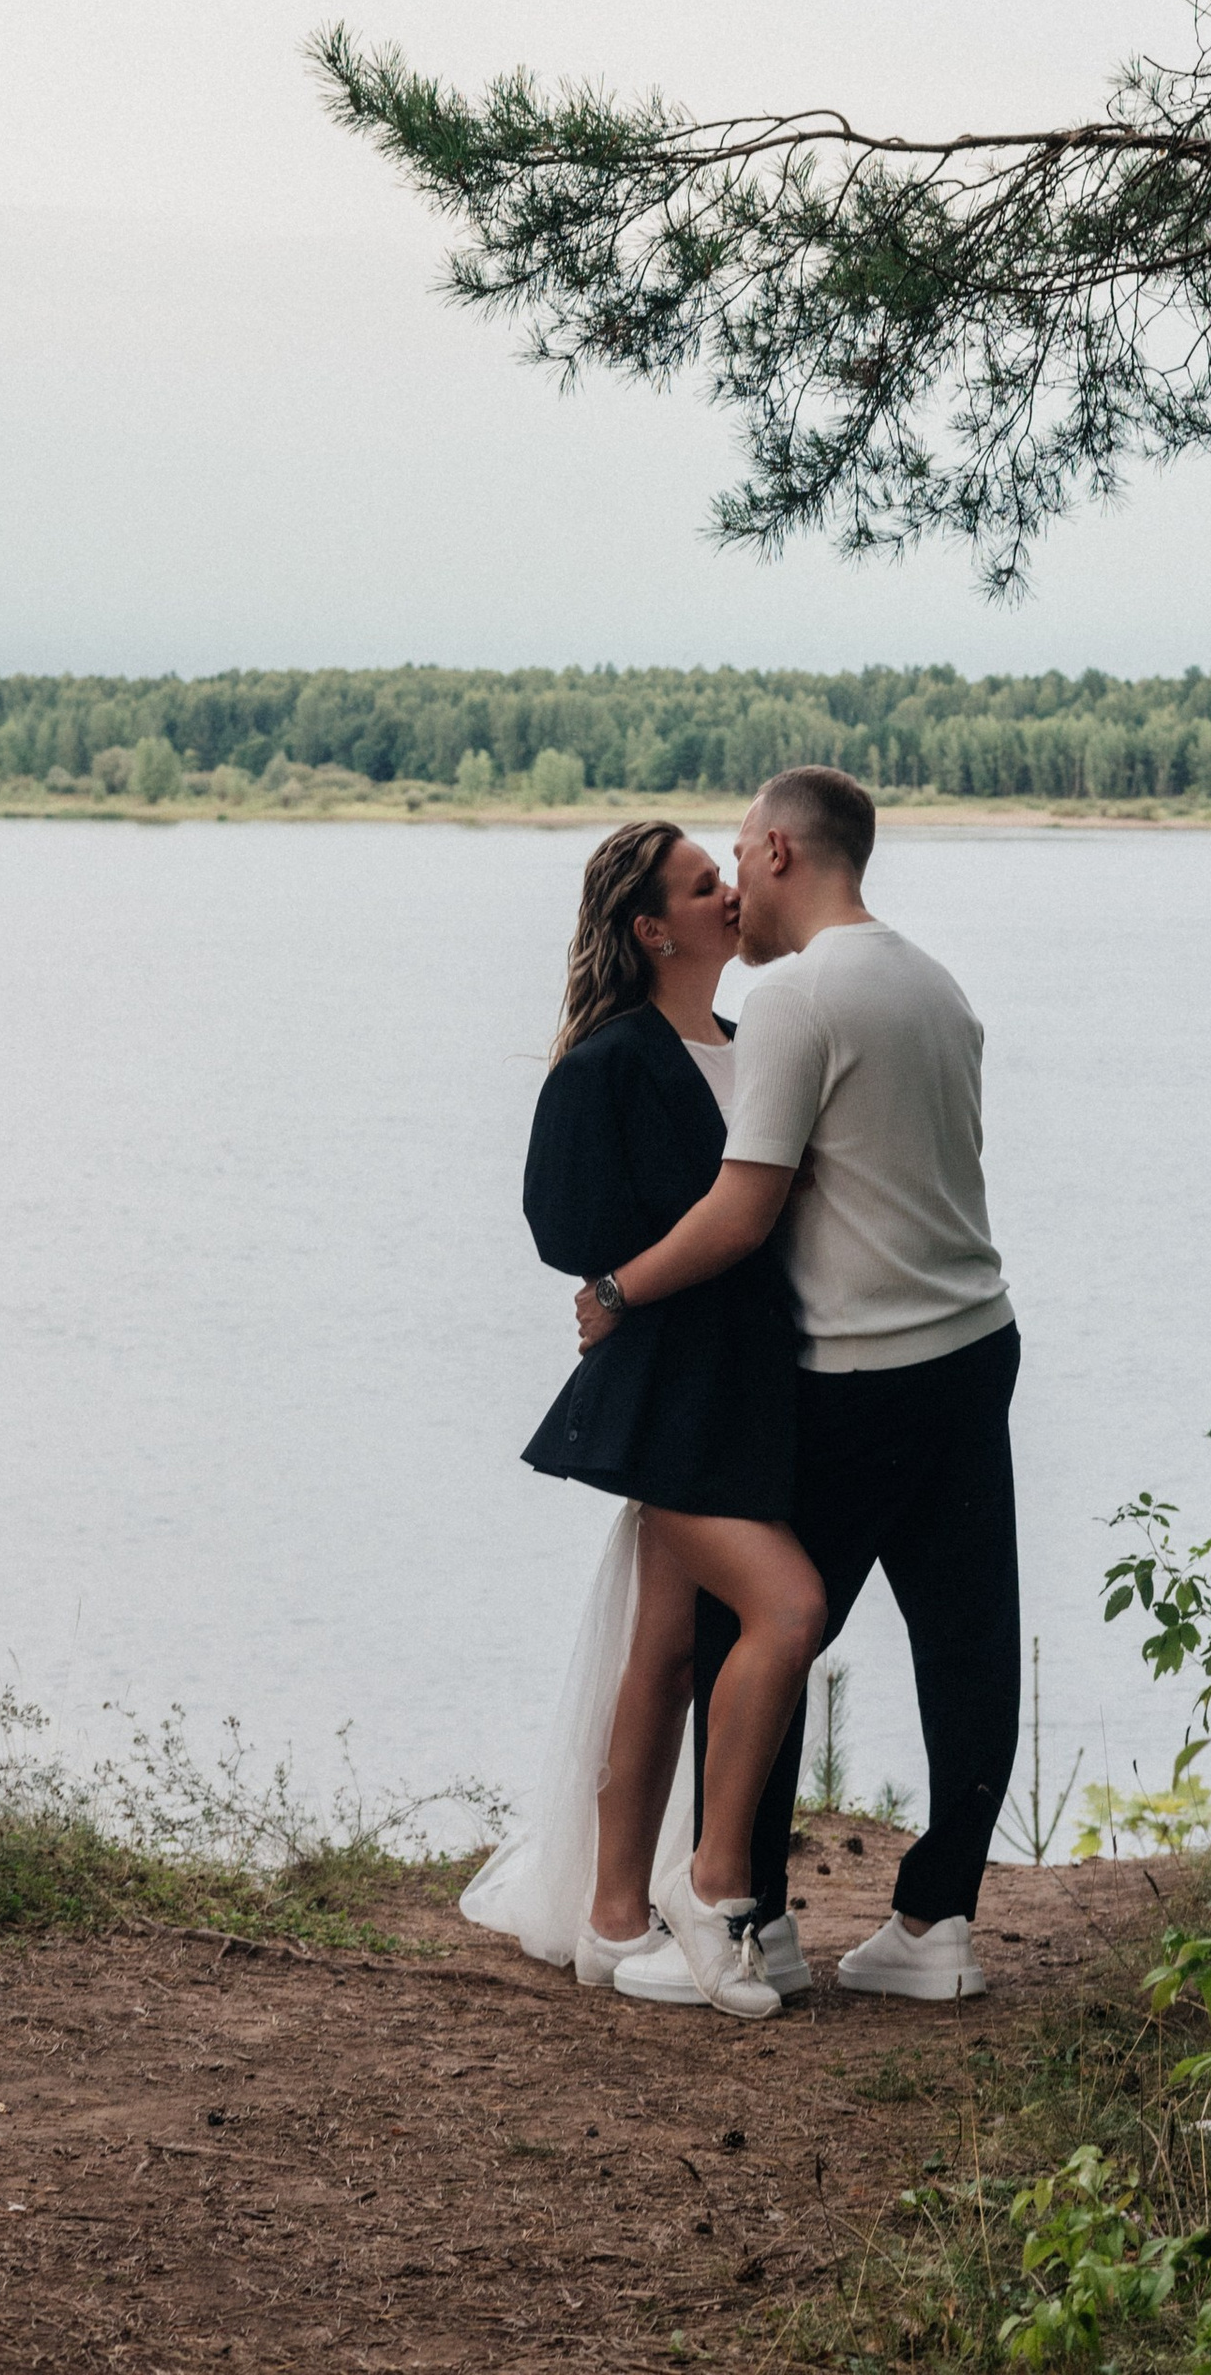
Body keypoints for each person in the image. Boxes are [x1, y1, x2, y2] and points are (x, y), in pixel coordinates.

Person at [571, 765, 1021, 2008]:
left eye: (734, 853)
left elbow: (741, 1209)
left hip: (858, 1370)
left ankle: (747, 1919)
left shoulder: (794, 998)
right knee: (968, 1645)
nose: (731, 882)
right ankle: (935, 1926)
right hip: (976, 1344)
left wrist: (616, 1292)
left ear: (778, 849)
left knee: (751, 1626)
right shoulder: (933, 983)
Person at [458, 817, 827, 2018]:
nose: (729, 893)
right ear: (651, 929)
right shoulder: (607, 1063)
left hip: (753, 1383)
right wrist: (630, 1285)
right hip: (671, 1388)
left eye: (724, 875)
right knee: (769, 1611)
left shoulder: (753, 1042)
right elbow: (563, 1228)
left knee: (665, 1649)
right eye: (702, 884)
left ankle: (614, 1914)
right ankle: (676, 1899)